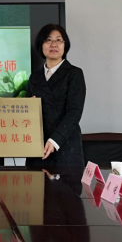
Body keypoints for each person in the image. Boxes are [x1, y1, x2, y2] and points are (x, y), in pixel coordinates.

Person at [26, 23, 86, 167]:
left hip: (65, 146)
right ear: (41, 45)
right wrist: (29, 107)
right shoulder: (35, 77)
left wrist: (54, 141)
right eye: (48, 40)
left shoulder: (74, 74)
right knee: (36, 181)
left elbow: (74, 113)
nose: (53, 44)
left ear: (65, 45)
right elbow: (27, 113)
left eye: (58, 40)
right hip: (38, 147)